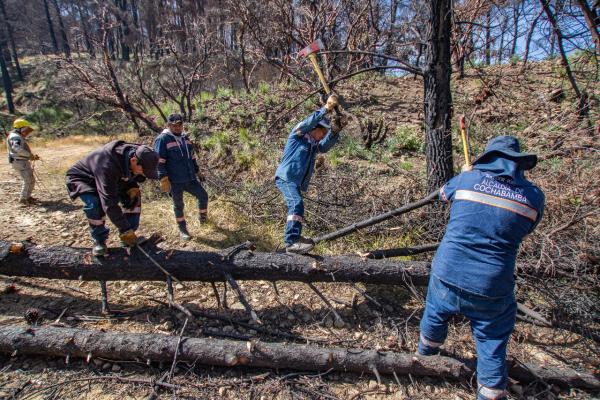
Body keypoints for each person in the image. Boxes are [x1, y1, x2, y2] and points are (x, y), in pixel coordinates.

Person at [417, 136, 545, 400]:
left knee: (435, 312)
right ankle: (490, 391)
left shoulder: (466, 181)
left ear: (489, 158)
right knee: (492, 340)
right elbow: (526, 229)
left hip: (448, 271)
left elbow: (443, 194)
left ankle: (424, 358)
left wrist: (467, 175)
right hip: (491, 283)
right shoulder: (533, 197)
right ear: (518, 164)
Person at [275, 94, 346, 254]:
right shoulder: (297, 135)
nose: (323, 135)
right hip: (286, 177)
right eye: (323, 132)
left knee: (297, 205)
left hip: (294, 182)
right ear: (315, 128)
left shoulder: (313, 145)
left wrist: (335, 132)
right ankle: (291, 242)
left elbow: (325, 147)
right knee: (296, 204)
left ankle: (295, 238)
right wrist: (326, 109)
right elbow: (309, 122)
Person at [65, 140, 159, 257]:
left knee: (133, 196)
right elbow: (109, 203)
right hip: (84, 179)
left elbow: (132, 176)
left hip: (114, 178)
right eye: (143, 171)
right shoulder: (107, 164)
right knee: (96, 204)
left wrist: (131, 186)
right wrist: (124, 228)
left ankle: (128, 238)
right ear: (134, 161)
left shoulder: (140, 153)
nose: (144, 174)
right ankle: (99, 241)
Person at [154, 113, 208, 241]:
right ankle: (183, 230)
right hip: (174, 181)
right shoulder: (162, 139)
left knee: (203, 196)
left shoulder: (185, 139)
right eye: (174, 125)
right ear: (168, 125)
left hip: (190, 178)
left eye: (180, 125)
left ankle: (204, 221)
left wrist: (198, 171)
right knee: (178, 205)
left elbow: (192, 157)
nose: (178, 128)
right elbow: (159, 161)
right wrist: (163, 178)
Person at [6, 118, 39, 205]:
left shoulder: (16, 135)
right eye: (25, 129)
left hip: (21, 161)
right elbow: (16, 148)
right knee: (28, 180)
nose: (26, 131)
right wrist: (30, 155)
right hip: (19, 161)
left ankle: (27, 197)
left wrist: (29, 156)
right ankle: (23, 199)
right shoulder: (15, 137)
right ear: (19, 128)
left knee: (31, 179)